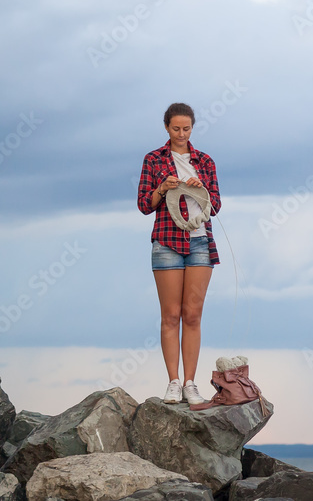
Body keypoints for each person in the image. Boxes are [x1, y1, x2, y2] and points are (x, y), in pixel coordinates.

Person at [137, 102, 221, 406]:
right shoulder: (153, 159)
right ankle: (173, 382)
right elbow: (145, 204)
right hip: (167, 242)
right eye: (176, 128)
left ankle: (190, 383)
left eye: (186, 128)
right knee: (170, 315)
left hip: (200, 242)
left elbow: (216, 206)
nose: (182, 134)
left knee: (193, 315)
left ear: (192, 127)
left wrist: (202, 188)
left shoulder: (205, 162)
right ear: (166, 127)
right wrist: (162, 187)